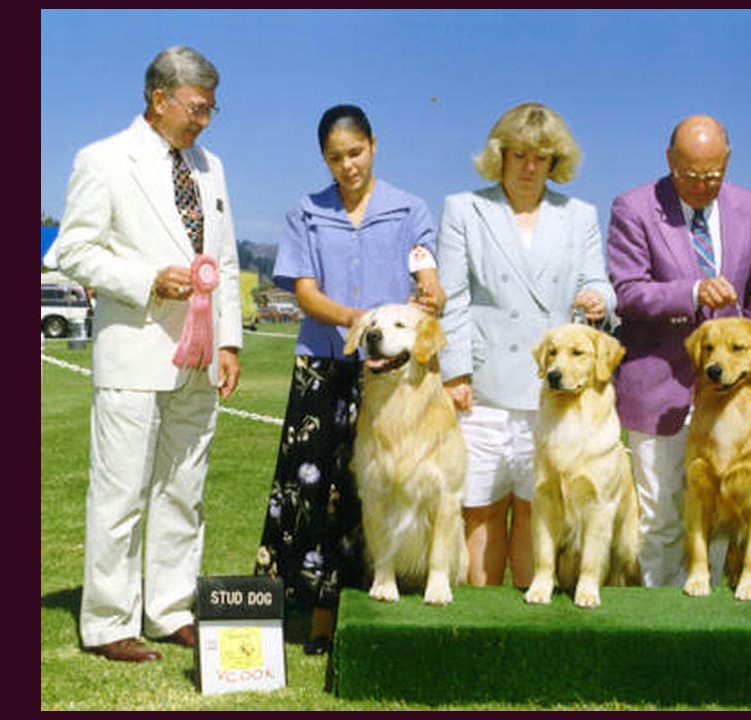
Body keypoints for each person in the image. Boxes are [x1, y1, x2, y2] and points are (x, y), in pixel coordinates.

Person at [44, 46, 243, 662]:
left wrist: (230, 340)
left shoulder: (211, 167)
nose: (205, 120)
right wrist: (145, 278)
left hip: (201, 356)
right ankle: (108, 621)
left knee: (185, 489)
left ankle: (170, 609)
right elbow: (72, 252)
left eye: (212, 108)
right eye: (197, 107)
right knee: (121, 490)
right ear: (160, 99)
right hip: (134, 351)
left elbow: (227, 261)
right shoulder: (102, 160)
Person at [253, 104, 444, 655]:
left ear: (374, 146)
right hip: (325, 365)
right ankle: (316, 614)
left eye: (356, 153)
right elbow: (305, 293)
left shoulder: (410, 209)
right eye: (336, 158)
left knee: (381, 489)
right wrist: (356, 323)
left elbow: (425, 270)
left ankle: (372, 605)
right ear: (324, 159)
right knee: (315, 490)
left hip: (391, 372)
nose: (348, 166)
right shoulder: (305, 214)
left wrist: (430, 291)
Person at [437, 101, 616, 589]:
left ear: (557, 162)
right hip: (483, 390)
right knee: (481, 511)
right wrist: (455, 373)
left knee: (538, 510)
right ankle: (479, 622)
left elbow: (599, 282)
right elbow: (451, 297)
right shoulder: (464, 209)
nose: (529, 167)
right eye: (518, 155)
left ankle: (523, 625)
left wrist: (599, 298)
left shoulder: (579, 216)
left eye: (541, 157)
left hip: (553, 392)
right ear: (500, 156)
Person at [606, 114, 751, 590]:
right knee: (659, 515)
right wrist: (693, 291)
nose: (702, 186)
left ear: (728, 161)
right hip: (658, 389)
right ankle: (658, 616)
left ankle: (705, 613)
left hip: (729, 399)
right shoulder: (634, 207)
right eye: (690, 175)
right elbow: (628, 292)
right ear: (669, 161)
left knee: (718, 515)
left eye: (713, 175)